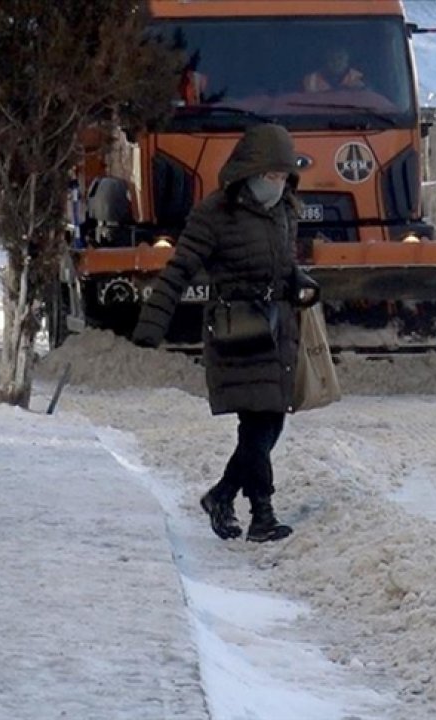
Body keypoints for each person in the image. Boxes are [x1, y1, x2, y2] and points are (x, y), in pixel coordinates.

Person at [130, 124, 320, 543]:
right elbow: (179, 269)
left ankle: (222, 495)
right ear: (249, 171)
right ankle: (262, 514)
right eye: (270, 175)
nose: (277, 183)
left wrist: (301, 282)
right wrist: (152, 324)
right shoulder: (215, 212)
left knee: (270, 423)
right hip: (238, 330)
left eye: (283, 176)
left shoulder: (286, 210)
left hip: (278, 328)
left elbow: (282, 265)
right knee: (256, 423)